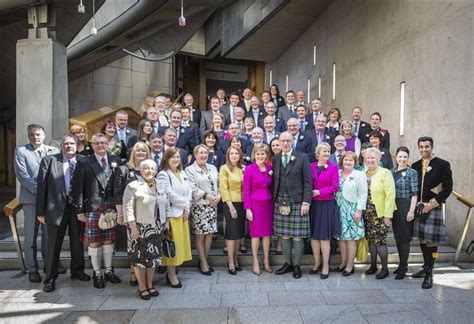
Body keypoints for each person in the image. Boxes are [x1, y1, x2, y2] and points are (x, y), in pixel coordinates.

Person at [36, 134, 90, 292]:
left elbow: (87, 187)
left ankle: (78, 271)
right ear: (61, 146)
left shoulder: (83, 161)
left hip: (77, 208)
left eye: (72, 143)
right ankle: (50, 277)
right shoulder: (50, 160)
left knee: (77, 241)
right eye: (66, 144)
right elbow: (42, 188)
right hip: (55, 209)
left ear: (77, 145)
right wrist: (41, 211)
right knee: (54, 244)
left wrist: (85, 209)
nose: (69, 146)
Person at [71, 133, 122, 288]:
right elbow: (77, 188)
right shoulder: (84, 162)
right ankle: (97, 273)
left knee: (109, 240)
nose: (101, 145)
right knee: (94, 243)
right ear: (91, 145)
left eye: (103, 143)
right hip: (92, 208)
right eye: (97, 143)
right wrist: (79, 211)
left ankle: (108, 271)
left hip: (110, 207)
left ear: (108, 145)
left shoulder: (115, 161)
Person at [14, 124, 60, 283]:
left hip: (50, 202)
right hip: (31, 201)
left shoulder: (53, 151)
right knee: (31, 236)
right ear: (28, 136)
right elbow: (22, 176)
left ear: (44, 135)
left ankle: (49, 265)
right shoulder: (21, 152)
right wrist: (41, 191)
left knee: (48, 235)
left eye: (38, 134)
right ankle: (32, 269)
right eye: (32, 135)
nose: (35, 137)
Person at [411, 137, 453, 289]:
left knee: (432, 241)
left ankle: (430, 271)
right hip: (419, 207)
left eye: (426, 147)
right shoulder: (415, 165)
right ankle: (425, 266)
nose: (424, 149)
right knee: (422, 240)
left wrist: (432, 204)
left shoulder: (442, 164)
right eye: (421, 147)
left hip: (433, 206)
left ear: (432, 147)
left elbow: (448, 188)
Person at [122, 159, 168, 300]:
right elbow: (128, 208)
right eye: (146, 168)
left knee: (153, 259)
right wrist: (133, 227)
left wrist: (166, 221)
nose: (149, 171)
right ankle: (142, 287)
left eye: (152, 168)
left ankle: (150, 284)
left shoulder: (160, 185)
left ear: (156, 170)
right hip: (139, 227)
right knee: (139, 259)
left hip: (156, 227)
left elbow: (166, 204)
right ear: (140, 171)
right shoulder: (133, 186)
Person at [273, 132, 312, 279]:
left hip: (297, 201)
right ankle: (288, 263)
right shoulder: (276, 158)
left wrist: (306, 202)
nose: (285, 143)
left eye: (288, 141)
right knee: (284, 235)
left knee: (297, 236)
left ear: (292, 142)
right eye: (282, 141)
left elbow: (308, 181)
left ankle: (296, 265)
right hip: (280, 200)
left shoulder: (302, 157)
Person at [113, 142, 151, 285]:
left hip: (148, 215)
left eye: (144, 150)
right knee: (134, 245)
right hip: (131, 215)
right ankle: (133, 273)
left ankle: (145, 274)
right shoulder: (124, 170)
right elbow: (117, 193)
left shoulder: (151, 169)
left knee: (146, 245)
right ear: (133, 153)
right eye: (138, 150)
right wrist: (120, 214)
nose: (140, 152)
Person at [157, 147, 193, 288]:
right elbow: (168, 195)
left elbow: (189, 191)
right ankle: (171, 275)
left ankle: (172, 273)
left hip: (182, 215)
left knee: (179, 247)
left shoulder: (182, 172)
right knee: (172, 247)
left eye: (178, 157)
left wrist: (187, 208)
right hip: (171, 215)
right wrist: (185, 205)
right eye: (173, 157)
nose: (176, 159)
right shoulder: (163, 175)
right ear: (166, 159)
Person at [186, 145, 220, 275]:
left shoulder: (212, 167)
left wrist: (218, 196)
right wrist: (206, 195)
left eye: (205, 153)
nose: (204, 155)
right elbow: (192, 188)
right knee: (200, 235)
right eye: (201, 153)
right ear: (195, 155)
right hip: (199, 206)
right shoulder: (190, 170)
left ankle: (203, 261)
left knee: (209, 234)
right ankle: (203, 263)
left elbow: (218, 184)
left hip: (212, 205)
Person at [309, 143, 340, 279]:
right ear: (318, 154)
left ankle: (326, 265)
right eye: (324, 151)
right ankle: (316, 263)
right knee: (314, 237)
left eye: (328, 151)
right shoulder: (311, 167)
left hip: (327, 204)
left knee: (324, 237)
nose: (327, 154)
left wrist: (319, 192)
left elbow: (335, 187)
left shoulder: (333, 167)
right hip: (313, 205)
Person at [364, 147, 396, 279]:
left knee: (380, 242)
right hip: (367, 213)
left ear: (378, 159)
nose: (370, 160)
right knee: (371, 240)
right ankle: (373, 265)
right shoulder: (364, 172)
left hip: (381, 213)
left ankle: (385, 268)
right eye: (368, 158)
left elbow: (390, 194)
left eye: (373, 158)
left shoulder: (385, 173)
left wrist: (388, 215)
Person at [335, 151, 367, 276]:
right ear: (342, 161)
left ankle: (350, 266)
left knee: (351, 239)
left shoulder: (359, 174)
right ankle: (343, 263)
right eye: (346, 160)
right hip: (338, 208)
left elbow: (363, 194)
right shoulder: (337, 173)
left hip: (352, 209)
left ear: (355, 162)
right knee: (341, 238)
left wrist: (359, 210)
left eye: (351, 160)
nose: (348, 162)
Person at [243, 143, 273, 275]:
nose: (260, 156)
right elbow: (246, 191)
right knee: (255, 235)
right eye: (258, 154)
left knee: (267, 234)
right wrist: (248, 209)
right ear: (254, 155)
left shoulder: (270, 167)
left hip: (268, 204)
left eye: (263, 153)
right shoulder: (249, 169)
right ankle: (255, 260)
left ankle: (266, 259)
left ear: (266, 155)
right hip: (255, 205)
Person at [391, 146, 418, 280]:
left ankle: (403, 267)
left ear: (408, 158)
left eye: (405, 157)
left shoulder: (412, 172)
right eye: (400, 156)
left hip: (405, 205)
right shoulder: (391, 172)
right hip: (394, 206)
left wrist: (411, 211)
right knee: (397, 237)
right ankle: (401, 264)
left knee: (404, 238)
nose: (402, 159)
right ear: (396, 157)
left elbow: (414, 194)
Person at [219, 146, 245, 275]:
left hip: (242, 203)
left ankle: (236, 259)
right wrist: (231, 207)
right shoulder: (224, 168)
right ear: (228, 155)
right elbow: (224, 189)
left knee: (239, 234)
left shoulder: (243, 168)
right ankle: (230, 262)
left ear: (240, 155)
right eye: (232, 153)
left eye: (236, 153)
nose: (234, 156)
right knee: (231, 234)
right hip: (230, 203)